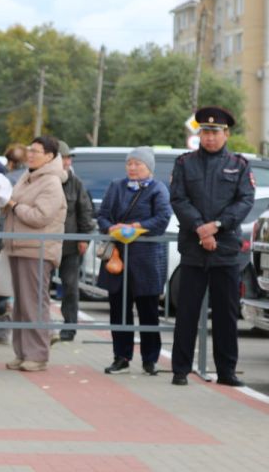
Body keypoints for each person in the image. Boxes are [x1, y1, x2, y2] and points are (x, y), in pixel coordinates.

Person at [169, 106, 255, 387]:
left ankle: (226, 372)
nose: (209, 138)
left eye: (215, 132)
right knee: (187, 312)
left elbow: (244, 201)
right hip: (194, 248)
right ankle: (180, 369)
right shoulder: (185, 164)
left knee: (226, 314)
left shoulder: (239, 165)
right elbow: (179, 199)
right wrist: (200, 229)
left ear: (226, 134)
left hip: (226, 248)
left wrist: (216, 226)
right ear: (199, 134)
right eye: (205, 132)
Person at [96, 147, 172, 375]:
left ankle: (150, 359)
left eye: (138, 164)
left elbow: (162, 217)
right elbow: (102, 215)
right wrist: (111, 228)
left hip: (146, 260)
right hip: (118, 257)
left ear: (149, 167)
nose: (132, 167)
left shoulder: (158, 188)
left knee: (148, 311)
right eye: (130, 163)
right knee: (119, 309)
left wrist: (134, 227)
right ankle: (121, 357)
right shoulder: (116, 186)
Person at [3, 136, 67, 372]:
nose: (30, 154)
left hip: (37, 250)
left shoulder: (51, 182)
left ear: (49, 157)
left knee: (35, 304)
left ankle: (38, 354)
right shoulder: (27, 176)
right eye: (29, 149)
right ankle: (22, 352)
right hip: (18, 246)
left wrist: (13, 206)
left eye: (36, 151)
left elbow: (41, 216)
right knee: (20, 305)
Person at [56, 140, 95, 343]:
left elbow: (85, 211)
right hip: (46, 245)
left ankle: (69, 326)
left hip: (70, 245)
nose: (67, 162)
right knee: (40, 287)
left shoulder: (75, 182)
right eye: (63, 158)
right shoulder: (45, 181)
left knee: (70, 286)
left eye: (68, 158)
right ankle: (37, 325)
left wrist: (83, 238)